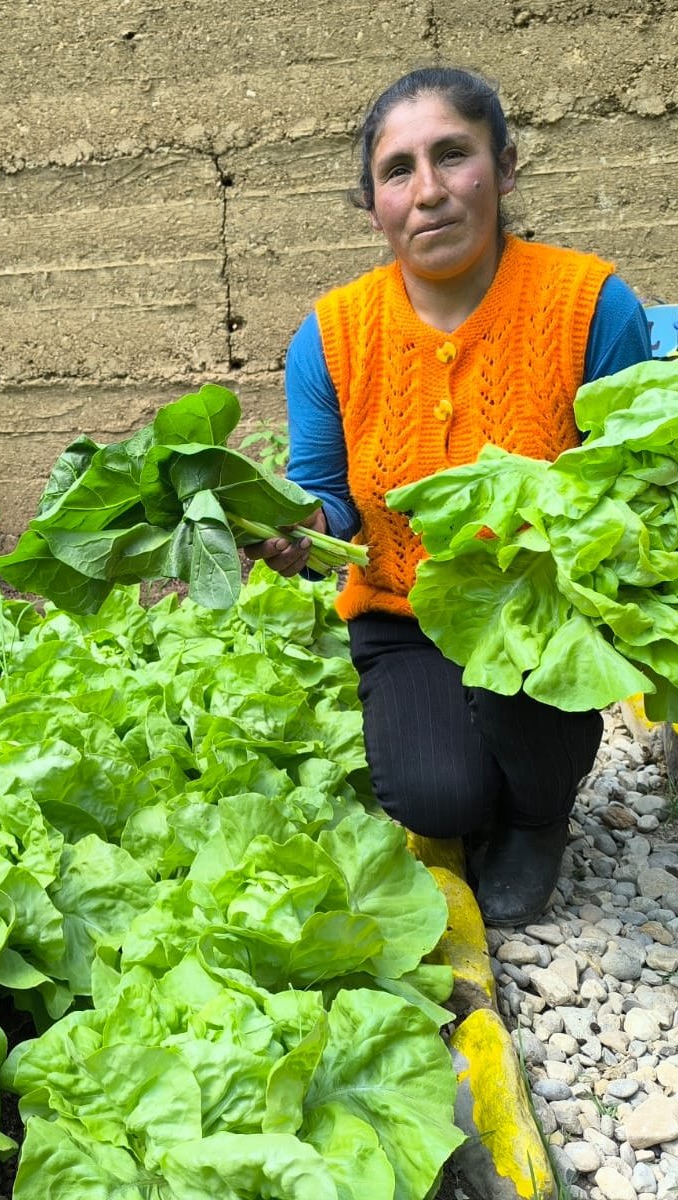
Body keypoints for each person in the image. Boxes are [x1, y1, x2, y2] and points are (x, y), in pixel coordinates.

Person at [245, 65, 652, 927]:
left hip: (546, 612)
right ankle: (483, 784)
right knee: (436, 799)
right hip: (403, 614)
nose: (427, 191)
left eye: (453, 156)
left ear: (504, 168)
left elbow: (635, 482)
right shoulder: (332, 335)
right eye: (398, 171)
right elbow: (329, 496)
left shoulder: (590, 305)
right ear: (374, 205)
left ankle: (540, 817)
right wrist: (301, 527)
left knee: (526, 736)